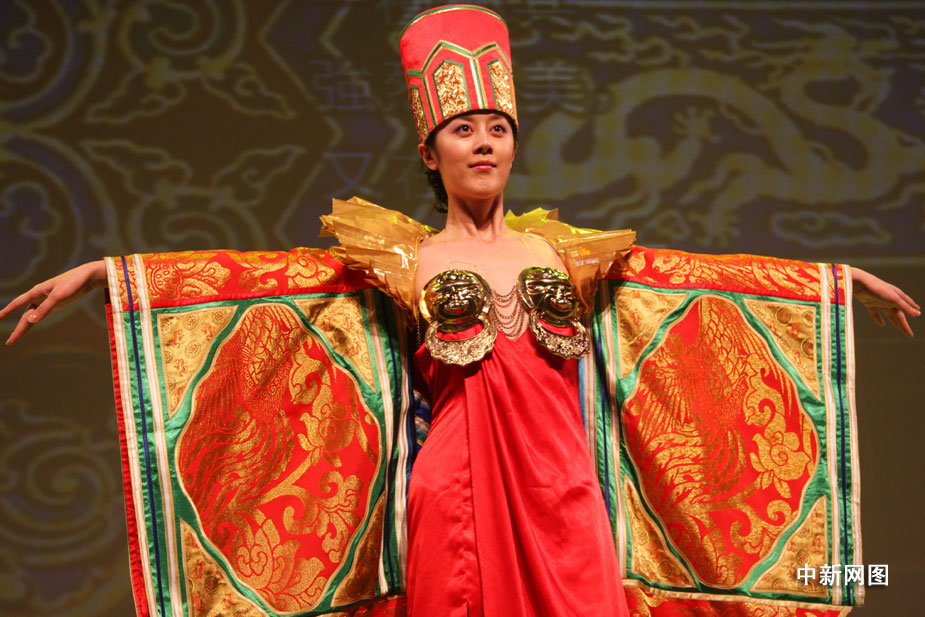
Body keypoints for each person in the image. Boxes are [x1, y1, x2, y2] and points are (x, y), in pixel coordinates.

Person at [0, 5, 919, 617]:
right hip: (455, 492)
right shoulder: (399, 257)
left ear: (514, 145)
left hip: (564, 492)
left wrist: (835, 281)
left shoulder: (565, 252)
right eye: (462, 129)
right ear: (429, 152)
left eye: (497, 128)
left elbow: (701, 281)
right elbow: (258, 281)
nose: (483, 143)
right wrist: (107, 273)